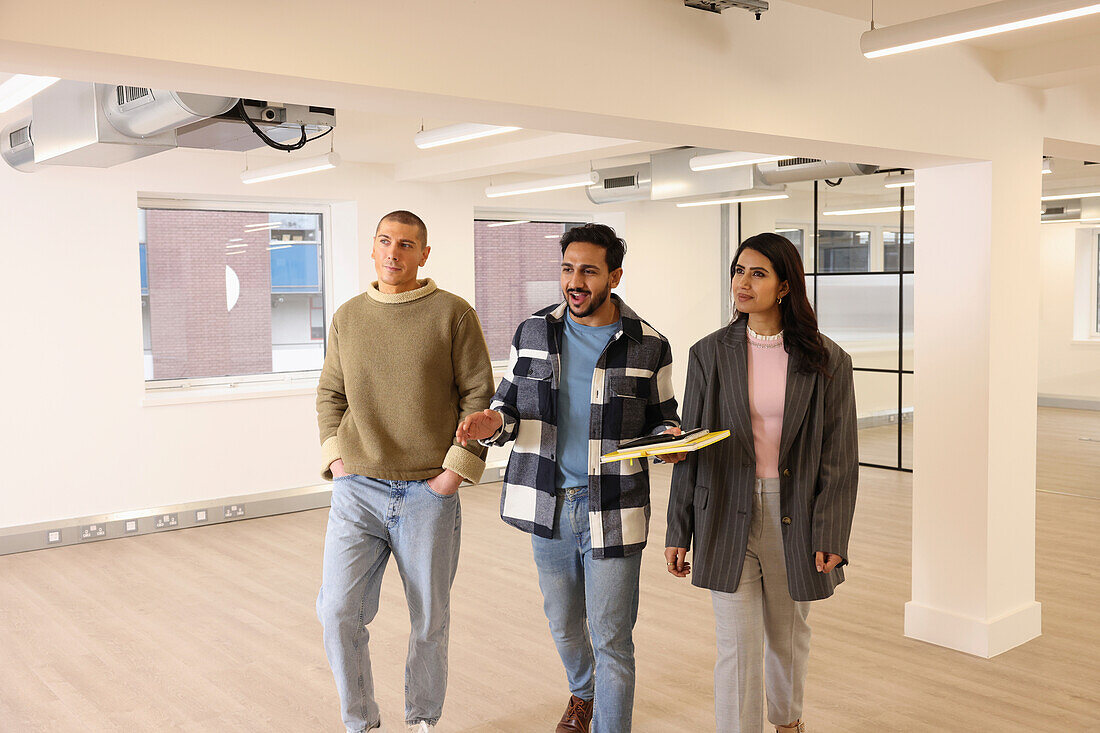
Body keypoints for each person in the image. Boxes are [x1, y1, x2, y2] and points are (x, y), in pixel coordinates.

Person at [456, 223, 682, 733]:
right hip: (548, 502)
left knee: (612, 637)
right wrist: (491, 422)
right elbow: (507, 406)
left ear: (614, 276)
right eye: (567, 268)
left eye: (588, 271)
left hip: (615, 505)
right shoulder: (532, 331)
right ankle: (582, 693)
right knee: (563, 624)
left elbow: (662, 415)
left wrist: (670, 436)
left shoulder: (649, 344)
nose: (574, 281)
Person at [665, 232, 858, 733]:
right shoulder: (708, 353)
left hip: (793, 513)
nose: (742, 283)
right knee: (736, 645)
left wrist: (831, 534)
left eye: (757, 273)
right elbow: (694, 445)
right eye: (738, 271)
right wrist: (676, 528)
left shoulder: (826, 360)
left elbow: (840, 458)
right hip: (724, 508)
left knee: (788, 635)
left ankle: (787, 722)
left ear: (785, 286)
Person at [315, 210, 495, 733]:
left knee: (429, 620)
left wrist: (452, 477)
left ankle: (422, 721)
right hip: (358, 490)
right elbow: (330, 395)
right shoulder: (348, 317)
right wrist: (339, 463)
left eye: (407, 244)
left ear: (424, 254)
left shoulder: (453, 314)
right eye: (385, 241)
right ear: (373, 248)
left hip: (428, 493)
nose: (394, 252)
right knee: (337, 611)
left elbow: (478, 398)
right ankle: (361, 723)